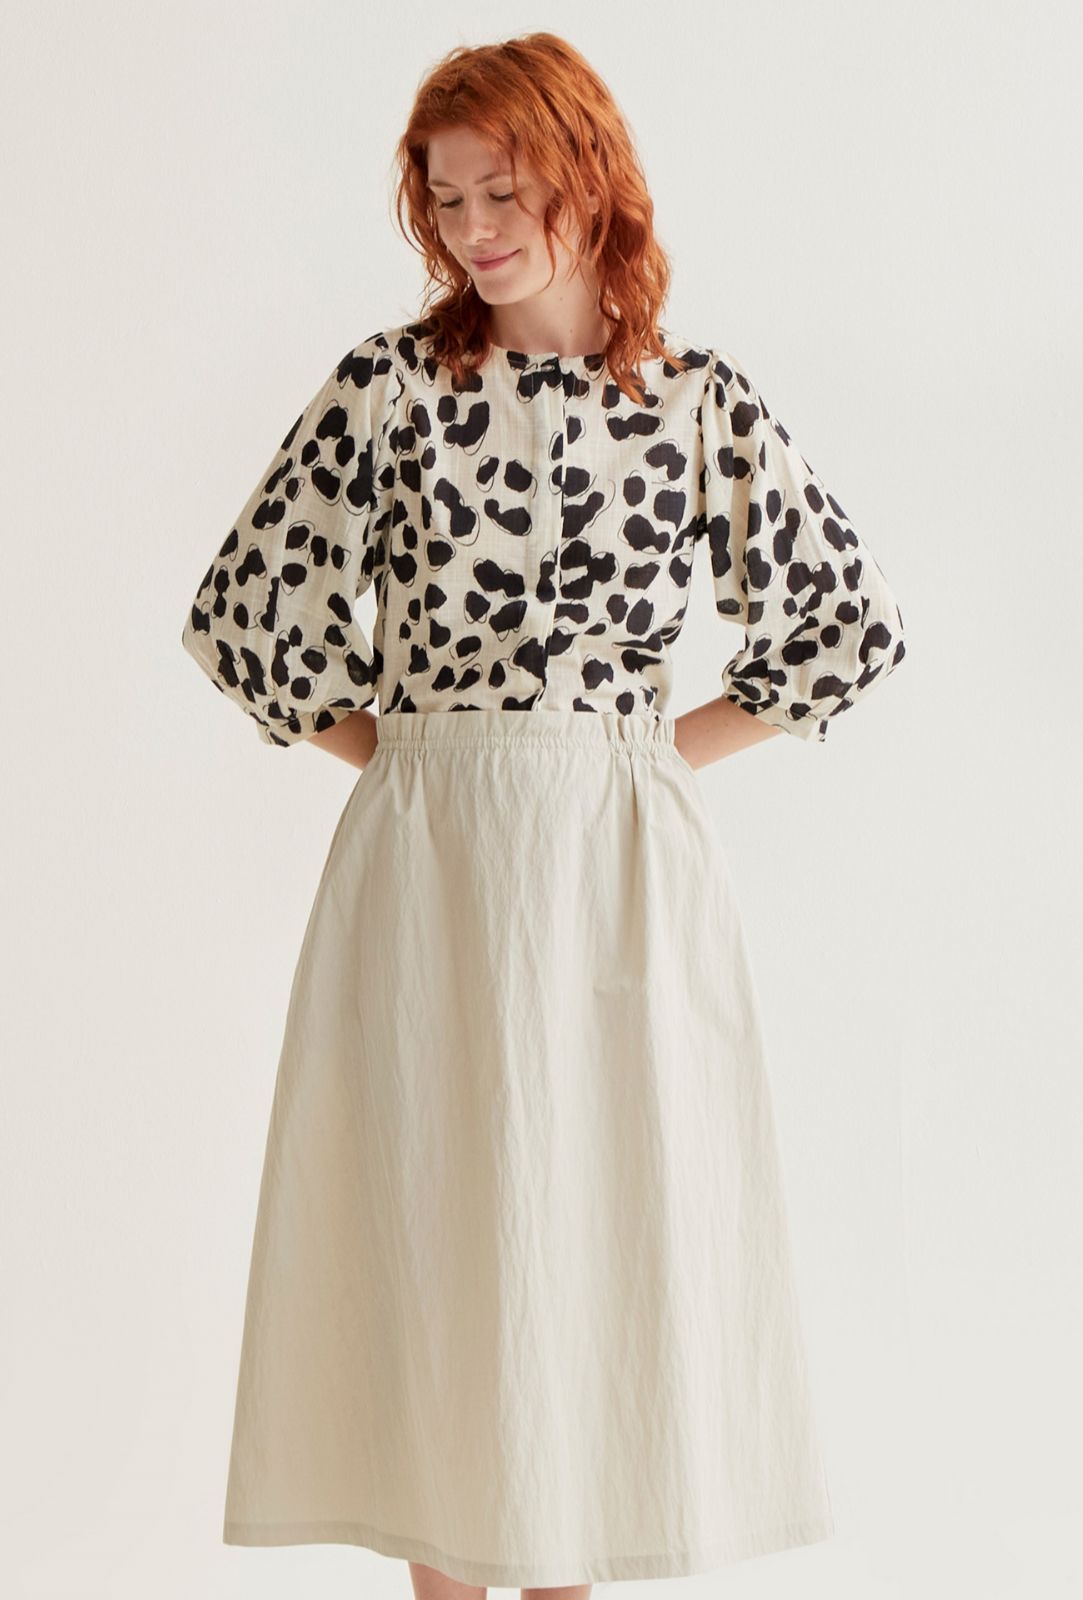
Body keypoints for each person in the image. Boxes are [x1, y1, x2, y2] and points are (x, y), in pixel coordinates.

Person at [179, 30, 907, 1600]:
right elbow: (243, 622)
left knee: (589, 1254)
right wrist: (420, 759)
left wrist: (641, 761)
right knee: (439, 1246)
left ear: (589, 176)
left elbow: (845, 630)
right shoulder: (390, 389)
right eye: (445, 200)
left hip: (618, 876)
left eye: (502, 191)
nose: (473, 229)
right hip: (430, 870)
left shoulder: (695, 403)